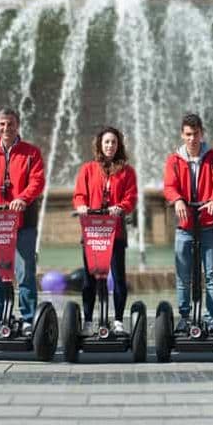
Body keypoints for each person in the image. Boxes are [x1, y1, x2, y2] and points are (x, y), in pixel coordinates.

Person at [0, 107, 45, 336]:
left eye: (10, 124)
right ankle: (3, 317)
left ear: (17, 125)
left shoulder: (31, 153)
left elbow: (37, 180)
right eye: (2, 124)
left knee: (24, 274)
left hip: (23, 224)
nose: (6, 128)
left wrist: (23, 198)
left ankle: (28, 319)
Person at [163, 113, 213, 336]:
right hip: (185, 226)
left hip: (208, 224)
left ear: (202, 133)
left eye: (196, 134)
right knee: (183, 276)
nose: (192, 139)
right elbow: (169, 186)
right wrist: (177, 199)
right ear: (182, 134)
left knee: (211, 275)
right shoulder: (174, 160)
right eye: (188, 134)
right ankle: (185, 317)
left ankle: (210, 319)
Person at [73, 127, 138, 336]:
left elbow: (131, 197)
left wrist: (122, 207)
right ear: (100, 145)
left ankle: (118, 320)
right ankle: (89, 321)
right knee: (90, 279)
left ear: (119, 145)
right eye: (107, 142)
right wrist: (82, 206)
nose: (110, 146)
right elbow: (79, 195)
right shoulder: (88, 169)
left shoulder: (127, 171)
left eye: (114, 142)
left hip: (115, 232)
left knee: (118, 277)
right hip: (92, 232)